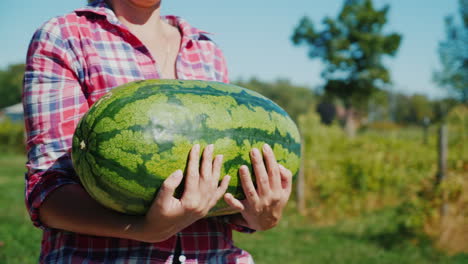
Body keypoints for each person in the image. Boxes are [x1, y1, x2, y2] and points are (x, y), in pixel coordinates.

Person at [23, 0, 293, 263]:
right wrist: (143, 230)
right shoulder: (66, 36)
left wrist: (261, 215)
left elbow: (221, 185)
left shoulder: (205, 50)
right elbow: (48, 192)